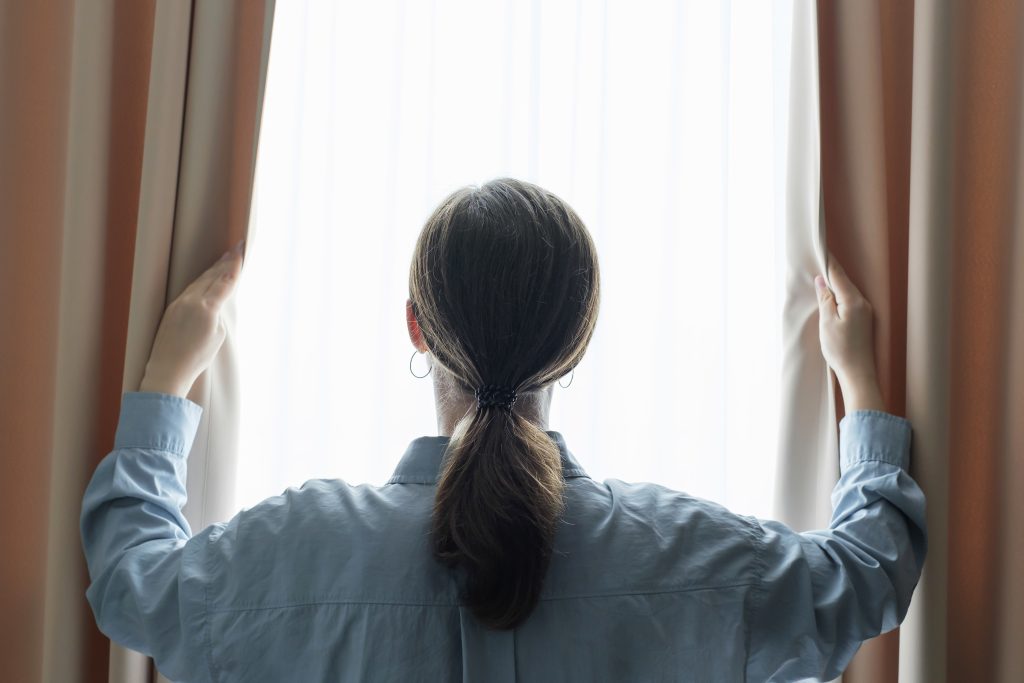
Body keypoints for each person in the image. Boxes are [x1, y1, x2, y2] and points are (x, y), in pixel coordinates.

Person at [80, 177, 927, 682]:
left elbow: (132, 583)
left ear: (415, 326)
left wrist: (165, 380)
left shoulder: (284, 552)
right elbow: (870, 572)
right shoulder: (696, 558)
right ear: (578, 342)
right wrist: (858, 378)